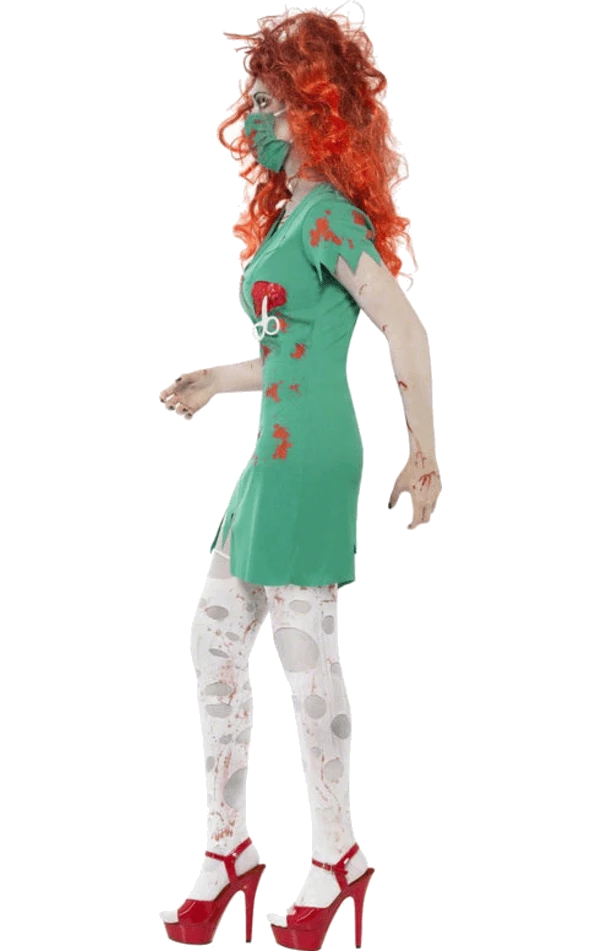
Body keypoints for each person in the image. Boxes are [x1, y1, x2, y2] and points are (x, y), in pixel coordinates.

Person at [158, 10, 440, 948]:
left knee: (309, 665)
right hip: (268, 457)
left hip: (310, 457)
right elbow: (292, 354)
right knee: (217, 638)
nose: (260, 118)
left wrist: (425, 451)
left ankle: (336, 857)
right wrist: (220, 378)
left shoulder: (329, 218)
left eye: (274, 101)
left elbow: (403, 326)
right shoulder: (295, 218)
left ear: (319, 112)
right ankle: (226, 852)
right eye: (258, 102)